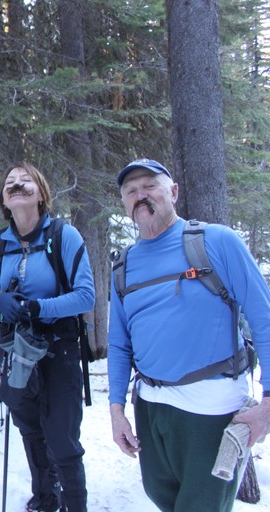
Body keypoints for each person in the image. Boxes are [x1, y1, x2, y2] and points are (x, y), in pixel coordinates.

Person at [109, 158, 270, 512]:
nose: (140, 196)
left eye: (150, 186)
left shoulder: (218, 242)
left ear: (174, 191)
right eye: (131, 191)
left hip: (212, 408)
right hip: (150, 407)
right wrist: (116, 409)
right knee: (161, 496)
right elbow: (119, 344)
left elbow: (264, 318)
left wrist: (269, 404)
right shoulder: (123, 265)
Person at [0, 162, 95, 512]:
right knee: (30, 429)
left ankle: (74, 505)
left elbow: (86, 296)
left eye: (25, 181)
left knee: (62, 438)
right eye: (10, 182)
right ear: (3, 199)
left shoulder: (63, 236)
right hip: (15, 353)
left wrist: (37, 308)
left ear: (41, 194)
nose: (16, 185)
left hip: (58, 352)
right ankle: (45, 499)